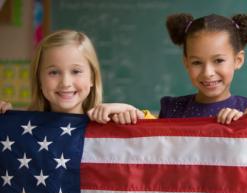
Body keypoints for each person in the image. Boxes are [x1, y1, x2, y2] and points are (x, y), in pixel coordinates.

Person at [0, 29, 146, 123]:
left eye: (76, 71)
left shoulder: (110, 122)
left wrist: (130, 112)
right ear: (39, 79)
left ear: (92, 78)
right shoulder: (20, 126)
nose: (65, 83)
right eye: (54, 72)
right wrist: (5, 118)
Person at [160, 12, 247, 124]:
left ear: (238, 60)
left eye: (219, 60)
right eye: (197, 62)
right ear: (186, 63)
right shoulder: (171, 110)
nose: (207, 73)